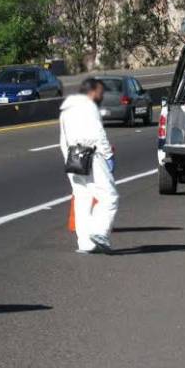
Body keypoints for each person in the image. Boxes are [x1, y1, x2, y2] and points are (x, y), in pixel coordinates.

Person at [59, 78, 118, 254]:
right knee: (109, 196)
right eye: (100, 92)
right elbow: (98, 134)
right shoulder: (89, 107)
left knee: (82, 199)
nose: (102, 96)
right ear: (91, 92)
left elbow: (63, 140)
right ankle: (100, 232)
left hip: (73, 157)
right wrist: (108, 155)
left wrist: (68, 159)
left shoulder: (67, 110)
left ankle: (85, 243)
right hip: (92, 155)